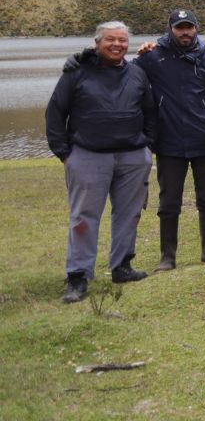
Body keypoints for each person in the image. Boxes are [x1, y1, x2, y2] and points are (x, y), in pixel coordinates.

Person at [47, 21, 156, 303]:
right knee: (84, 217)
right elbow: (56, 112)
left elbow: (150, 112)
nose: (117, 45)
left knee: (129, 213)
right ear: (97, 43)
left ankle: (121, 266)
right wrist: (64, 153)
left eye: (122, 40)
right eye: (110, 40)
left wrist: (147, 147)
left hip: (132, 156)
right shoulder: (77, 72)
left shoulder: (137, 74)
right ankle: (78, 276)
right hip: (87, 155)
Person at [135, 10, 205, 271]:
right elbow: (126, 76)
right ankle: (168, 256)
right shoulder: (152, 58)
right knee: (169, 201)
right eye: (179, 27)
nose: (184, 32)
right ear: (170, 29)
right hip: (169, 141)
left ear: (197, 28)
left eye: (189, 27)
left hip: (204, 141)